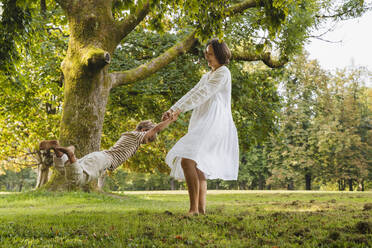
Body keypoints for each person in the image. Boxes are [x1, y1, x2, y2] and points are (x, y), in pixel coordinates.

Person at [163, 39, 239, 215]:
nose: (207, 56)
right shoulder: (207, 75)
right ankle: (201, 209)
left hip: (216, 123)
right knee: (196, 165)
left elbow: (204, 94)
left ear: (220, 54)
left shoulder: (223, 73)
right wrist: (173, 109)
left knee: (187, 160)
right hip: (202, 121)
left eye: (210, 53)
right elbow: (193, 92)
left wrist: (179, 109)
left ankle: (193, 210)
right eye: (206, 53)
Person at [39, 114, 179, 187]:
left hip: (100, 157)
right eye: (149, 138)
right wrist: (170, 121)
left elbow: (154, 130)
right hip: (103, 160)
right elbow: (156, 129)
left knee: (65, 170)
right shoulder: (137, 136)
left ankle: (57, 148)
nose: (147, 141)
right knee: (76, 179)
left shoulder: (130, 136)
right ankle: (70, 153)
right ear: (143, 130)